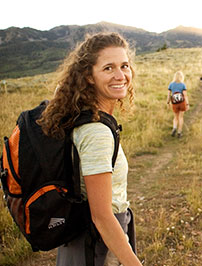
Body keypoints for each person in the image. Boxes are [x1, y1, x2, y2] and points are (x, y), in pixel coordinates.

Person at [37, 32, 142, 266]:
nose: (120, 75)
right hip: (97, 242)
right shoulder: (97, 133)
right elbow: (102, 217)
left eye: (124, 66)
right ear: (89, 76)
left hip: (80, 237)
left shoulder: (79, 116)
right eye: (108, 68)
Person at [167, 71, 189, 138]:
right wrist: (187, 104)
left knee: (175, 117)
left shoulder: (171, 84)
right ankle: (179, 132)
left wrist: (168, 102)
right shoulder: (183, 85)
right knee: (181, 117)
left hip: (174, 103)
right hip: (182, 103)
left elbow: (168, 95)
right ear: (181, 77)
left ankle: (174, 128)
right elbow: (185, 95)